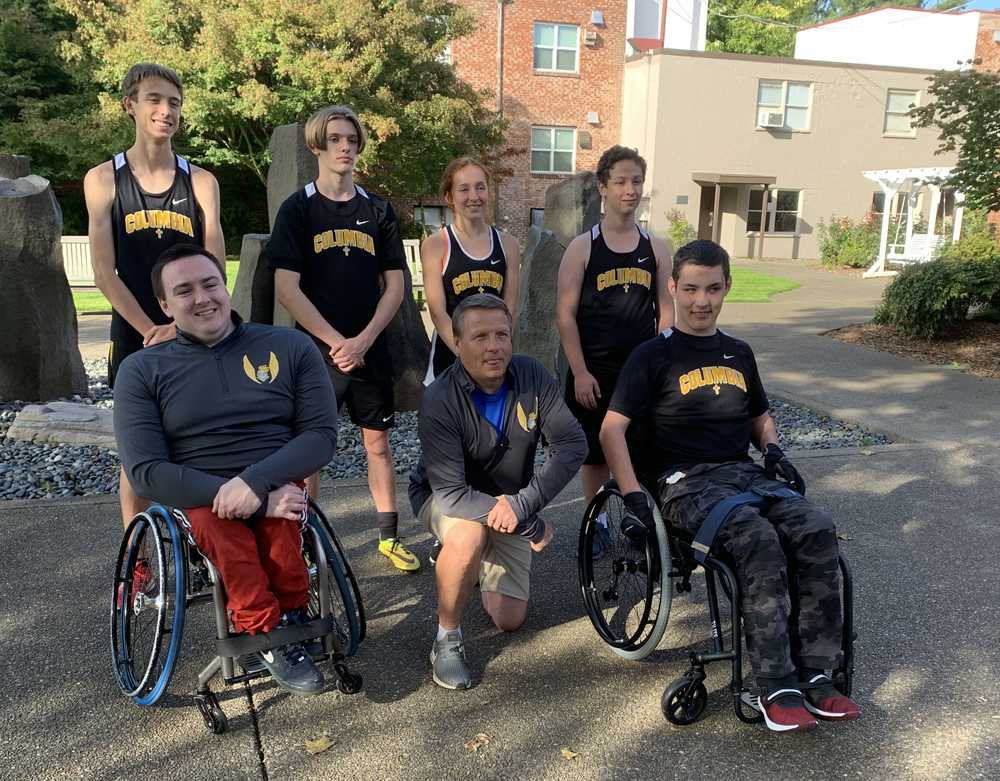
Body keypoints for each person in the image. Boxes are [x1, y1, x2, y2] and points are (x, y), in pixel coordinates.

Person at [599, 240, 861, 733]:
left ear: (727, 289)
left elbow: (760, 417)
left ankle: (819, 672)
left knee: (817, 528)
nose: (702, 300)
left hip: (743, 474)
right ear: (673, 287)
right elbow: (612, 429)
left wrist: (774, 448)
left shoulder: (739, 353)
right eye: (692, 288)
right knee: (755, 539)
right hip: (684, 482)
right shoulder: (651, 356)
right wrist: (633, 493)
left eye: (714, 289)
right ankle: (774, 683)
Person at [114, 244, 338, 696]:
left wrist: (256, 486)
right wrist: (238, 494)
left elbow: (320, 436)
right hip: (198, 492)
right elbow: (145, 470)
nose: (202, 298)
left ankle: (292, 614)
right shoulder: (141, 371)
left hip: (275, 476)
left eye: (210, 284)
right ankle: (263, 631)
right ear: (164, 305)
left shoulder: (290, 346)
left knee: (283, 520)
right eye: (184, 290)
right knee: (225, 530)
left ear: (225, 286)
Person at [409, 294, 587, 690]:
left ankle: (463, 562)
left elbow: (573, 445)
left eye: (501, 334)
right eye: (480, 337)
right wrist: (525, 524)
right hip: (444, 497)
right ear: (457, 343)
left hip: (510, 501)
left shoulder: (532, 376)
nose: (493, 346)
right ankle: (447, 638)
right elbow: (453, 495)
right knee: (468, 533)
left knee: (510, 619)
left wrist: (522, 507)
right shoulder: (439, 398)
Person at [268, 105, 419, 572]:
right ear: (317, 145)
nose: (345, 147)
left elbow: (396, 283)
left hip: (369, 348)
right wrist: (338, 342)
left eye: (352, 140)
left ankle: (389, 537)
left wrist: (365, 338)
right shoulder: (298, 208)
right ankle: (304, 539)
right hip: (317, 351)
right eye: (335, 139)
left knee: (378, 443)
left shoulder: (376, 210)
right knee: (311, 451)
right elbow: (286, 288)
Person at [84, 62, 225, 530]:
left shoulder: (201, 182)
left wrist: (181, 326)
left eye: (175, 103)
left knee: (200, 442)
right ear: (130, 105)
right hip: (136, 335)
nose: (166, 111)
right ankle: (139, 554)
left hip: (194, 333)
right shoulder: (103, 180)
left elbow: (214, 268)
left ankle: (201, 542)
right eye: (154, 99)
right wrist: (152, 329)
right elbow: (105, 272)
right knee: (138, 453)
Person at [556, 146, 672, 545]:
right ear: (603, 187)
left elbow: (666, 308)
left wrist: (663, 363)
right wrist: (580, 371)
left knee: (638, 446)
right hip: (595, 369)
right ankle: (598, 521)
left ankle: (637, 518)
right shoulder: (583, 247)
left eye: (636, 181)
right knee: (595, 454)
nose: (630, 189)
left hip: (638, 371)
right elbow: (565, 315)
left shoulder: (655, 248)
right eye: (620, 181)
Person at [420, 157, 520, 385]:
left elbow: (510, 309)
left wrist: (498, 351)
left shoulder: (508, 245)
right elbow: (437, 311)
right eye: (464, 189)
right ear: (449, 197)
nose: (474, 196)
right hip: (451, 356)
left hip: (493, 358)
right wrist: (464, 354)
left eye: (480, 187)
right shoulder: (437, 244)